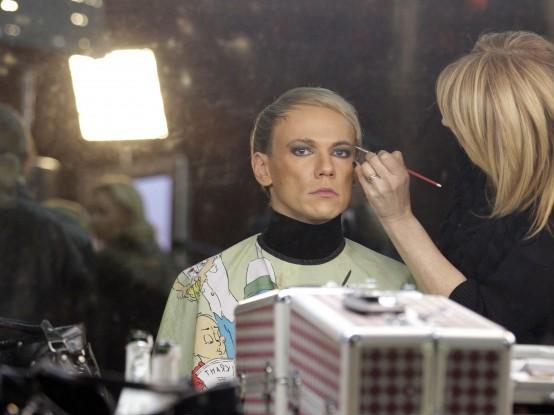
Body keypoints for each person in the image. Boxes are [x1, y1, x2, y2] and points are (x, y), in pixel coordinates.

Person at [355, 31, 554, 355]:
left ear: (501, 129)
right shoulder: (483, 175)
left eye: (462, 116)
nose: (445, 122)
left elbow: (484, 325)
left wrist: (398, 219)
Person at [158, 87, 414, 389]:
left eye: (341, 152)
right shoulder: (200, 285)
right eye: (302, 150)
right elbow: (161, 402)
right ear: (263, 168)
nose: (326, 168)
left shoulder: (401, 288)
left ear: (355, 169)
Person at [0, 104, 93, 325]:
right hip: (36, 347)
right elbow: (82, 322)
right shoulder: (64, 234)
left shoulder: (58, 233)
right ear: (26, 163)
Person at [88, 175, 176, 371]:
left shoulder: (108, 262)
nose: (92, 220)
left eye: (101, 212)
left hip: (121, 363)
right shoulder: (161, 256)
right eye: (91, 212)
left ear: (127, 214)